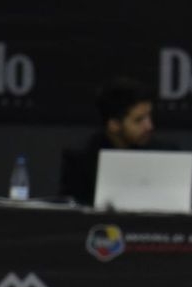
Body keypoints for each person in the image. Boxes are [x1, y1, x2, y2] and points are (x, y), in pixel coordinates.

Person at [61, 77, 156, 205]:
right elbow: (71, 209)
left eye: (149, 116)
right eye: (139, 120)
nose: (149, 126)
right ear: (114, 125)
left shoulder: (166, 153)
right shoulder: (81, 161)